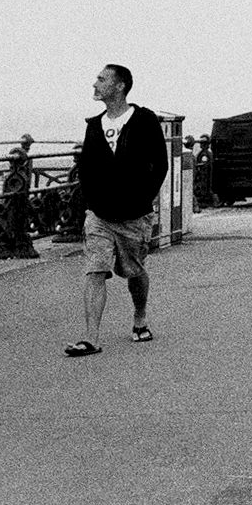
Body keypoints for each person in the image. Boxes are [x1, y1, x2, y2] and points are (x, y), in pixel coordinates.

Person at [65, 63, 168, 357]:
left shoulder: (144, 120)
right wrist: (91, 201)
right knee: (95, 269)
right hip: (99, 214)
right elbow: (86, 168)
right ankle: (91, 339)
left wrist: (143, 197)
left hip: (135, 214)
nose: (95, 84)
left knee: (133, 271)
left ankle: (140, 317)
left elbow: (160, 164)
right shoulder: (94, 125)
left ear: (119, 85)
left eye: (101, 79)